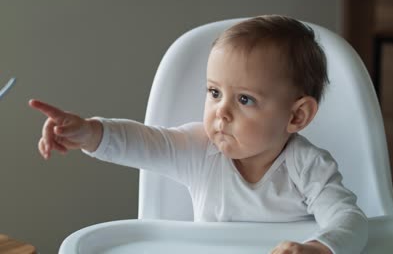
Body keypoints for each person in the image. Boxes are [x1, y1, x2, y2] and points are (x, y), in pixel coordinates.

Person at [29, 15, 368, 254]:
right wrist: (89, 132)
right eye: (214, 92)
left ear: (296, 115)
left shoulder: (309, 167)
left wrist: (319, 248)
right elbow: (142, 143)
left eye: (245, 99)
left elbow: (348, 219)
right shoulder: (199, 150)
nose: (221, 111)